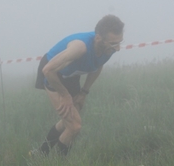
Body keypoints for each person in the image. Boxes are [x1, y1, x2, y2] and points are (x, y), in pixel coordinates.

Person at [32, 15, 125, 156]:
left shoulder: (108, 48)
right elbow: (48, 70)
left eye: (120, 42)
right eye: (113, 44)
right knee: (74, 126)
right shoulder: (79, 48)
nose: (117, 48)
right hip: (53, 72)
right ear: (98, 38)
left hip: (71, 74)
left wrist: (84, 92)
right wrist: (64, 95)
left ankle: (40, 153)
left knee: (68, 120)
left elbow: (97, 65)